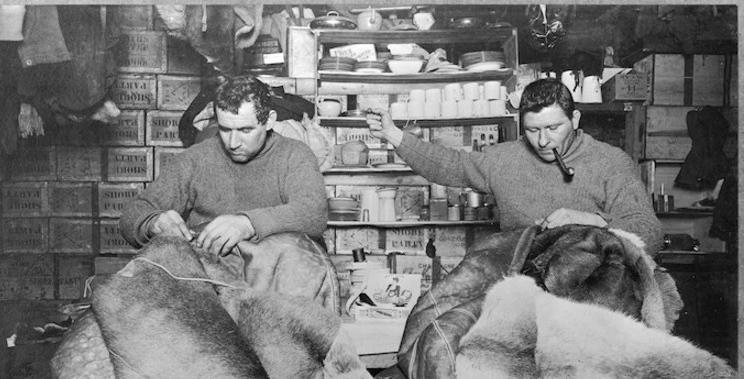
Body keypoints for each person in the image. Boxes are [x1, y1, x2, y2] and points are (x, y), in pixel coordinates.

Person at [366, 78, 663, 255]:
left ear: (575, 120)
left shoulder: (611, 162)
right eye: (532, 130)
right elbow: (449, 165)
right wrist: (393, 134)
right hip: (523, 283)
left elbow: (649, 234)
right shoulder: (504, 159)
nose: (543, 141)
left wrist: (594, 222)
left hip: (591, 286)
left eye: (553, 128)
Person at [120, 75, 328, 256]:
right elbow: (133, 213)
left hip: (275, 275)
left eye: (245, 130)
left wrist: (247, 223)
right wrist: (153, 222)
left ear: (269, 121)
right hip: (214, 274)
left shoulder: (295, 155)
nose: (233, 143)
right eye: (225, 129)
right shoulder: (195, 159)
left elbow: (313, 214)